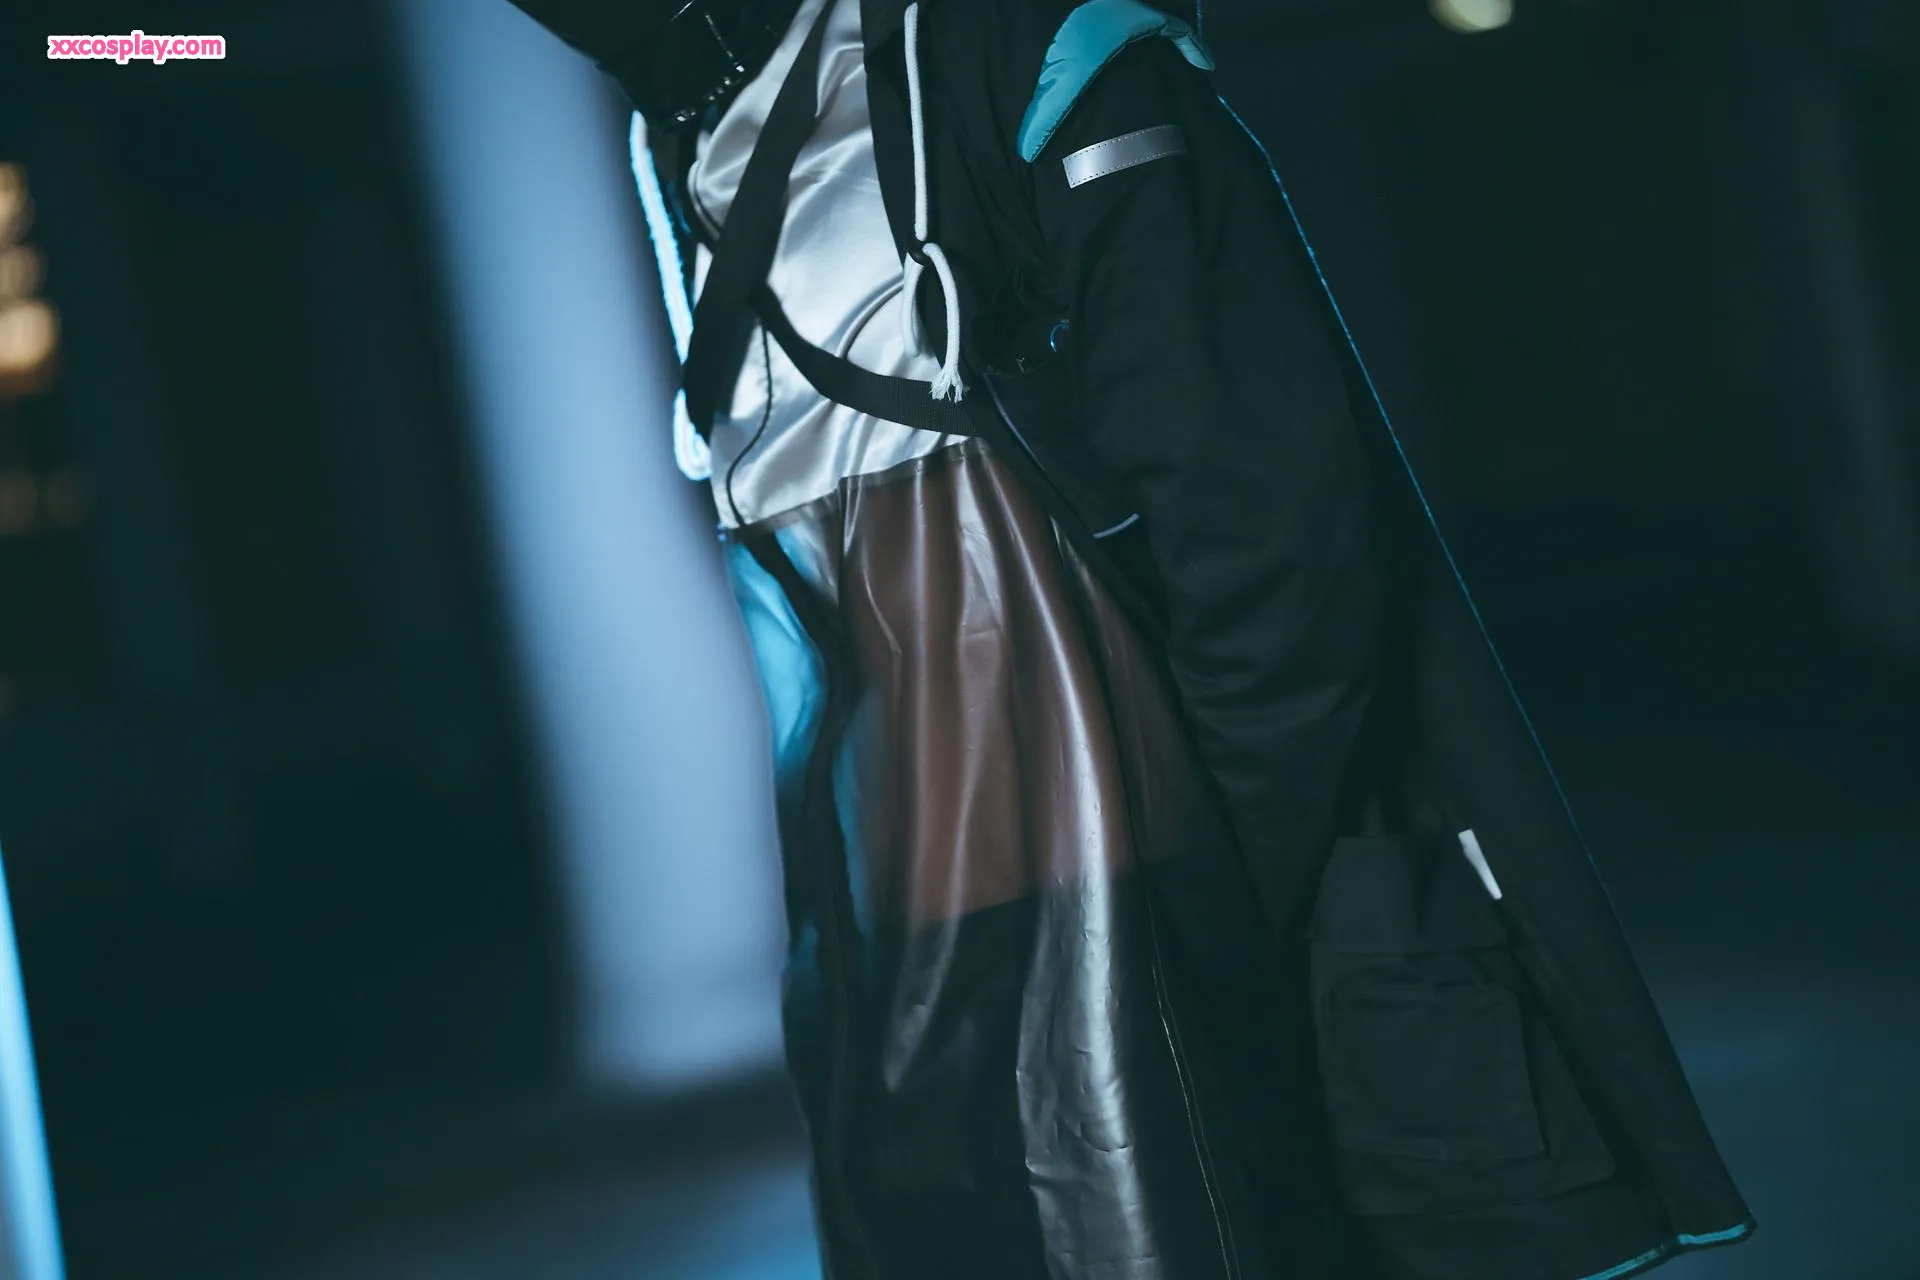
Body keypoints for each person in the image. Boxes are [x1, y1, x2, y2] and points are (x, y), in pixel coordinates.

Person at [504, 1, 1756, 1276]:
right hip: (899, 951)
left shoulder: (1016, 49)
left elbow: (1264, 522)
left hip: (1139, 904)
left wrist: (1230, 876)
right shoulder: (684, 125)